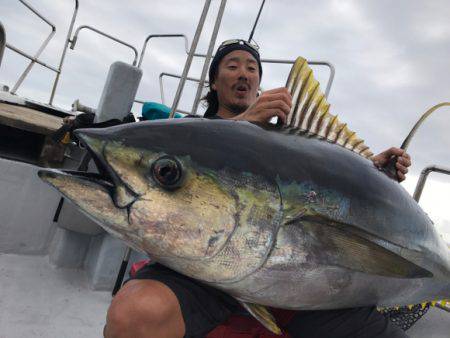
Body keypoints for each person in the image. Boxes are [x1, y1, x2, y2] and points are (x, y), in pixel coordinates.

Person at [104, 39, 411, 338]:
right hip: (202, 275)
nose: (243, 73)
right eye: (232, 65)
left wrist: (375, 171)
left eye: (252, 68)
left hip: (296, 280)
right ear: (213, 83)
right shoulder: (188, 137)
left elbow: (318, 185)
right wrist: (240, 123)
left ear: (258, 84)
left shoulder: (284, 139)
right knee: (132, 317)